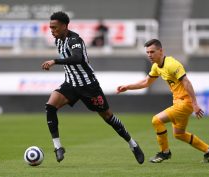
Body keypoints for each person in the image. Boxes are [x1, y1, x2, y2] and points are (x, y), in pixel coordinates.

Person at [41, 11, 144, 164]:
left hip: (89, 86)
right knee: (50, 106)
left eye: (55, 27)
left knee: (108, 117)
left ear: (64, 26)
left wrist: (55, 61)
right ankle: (58, 147)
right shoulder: (58, 41)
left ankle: (132, 144)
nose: (52, 31)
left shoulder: (75, 40)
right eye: (50, 27)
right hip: (70, 84)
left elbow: (77, 58)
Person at [117, 39, 209, 163]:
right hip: (178, 102)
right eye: (147, 52)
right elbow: (146, 82)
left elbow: (186, 82)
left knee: (157, 120)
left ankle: (165, 152)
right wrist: (127, 87)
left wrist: (195, 104)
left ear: (161, 51)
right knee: (179, 134)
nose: (149, 55)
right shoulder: (156, 66)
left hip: (185, 102)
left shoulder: (172, 64)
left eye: (152, 52)